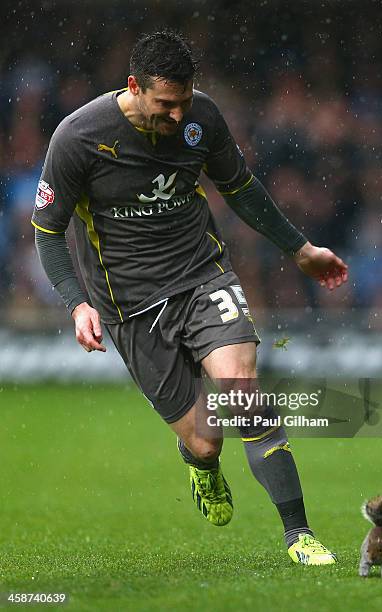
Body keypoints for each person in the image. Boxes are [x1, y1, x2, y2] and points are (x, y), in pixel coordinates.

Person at [32, 29, 348, 566]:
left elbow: (240, 186)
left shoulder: (201, 116)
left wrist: (299, 249)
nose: (178, 115)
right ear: (134, 86)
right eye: (166, 104)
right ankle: (199, 463)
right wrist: (76, 303)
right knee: (207, 440)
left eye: (184, 101)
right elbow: (47, 230)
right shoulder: (78, 137)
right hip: (130, 306)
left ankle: (299, 534)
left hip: (203, 276)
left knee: (244, 396)